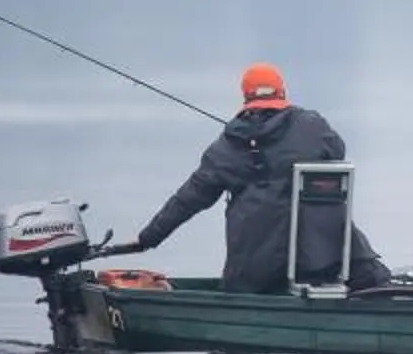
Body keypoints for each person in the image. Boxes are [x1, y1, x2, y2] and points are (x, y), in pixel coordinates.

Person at [106, 64, 393, 293]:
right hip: (327, 261)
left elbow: (187, 201)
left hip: (256, 275)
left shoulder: (227, 147)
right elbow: (337, 150)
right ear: (282, 93)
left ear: (246, 98)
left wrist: (147, 239)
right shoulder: (313, 126)